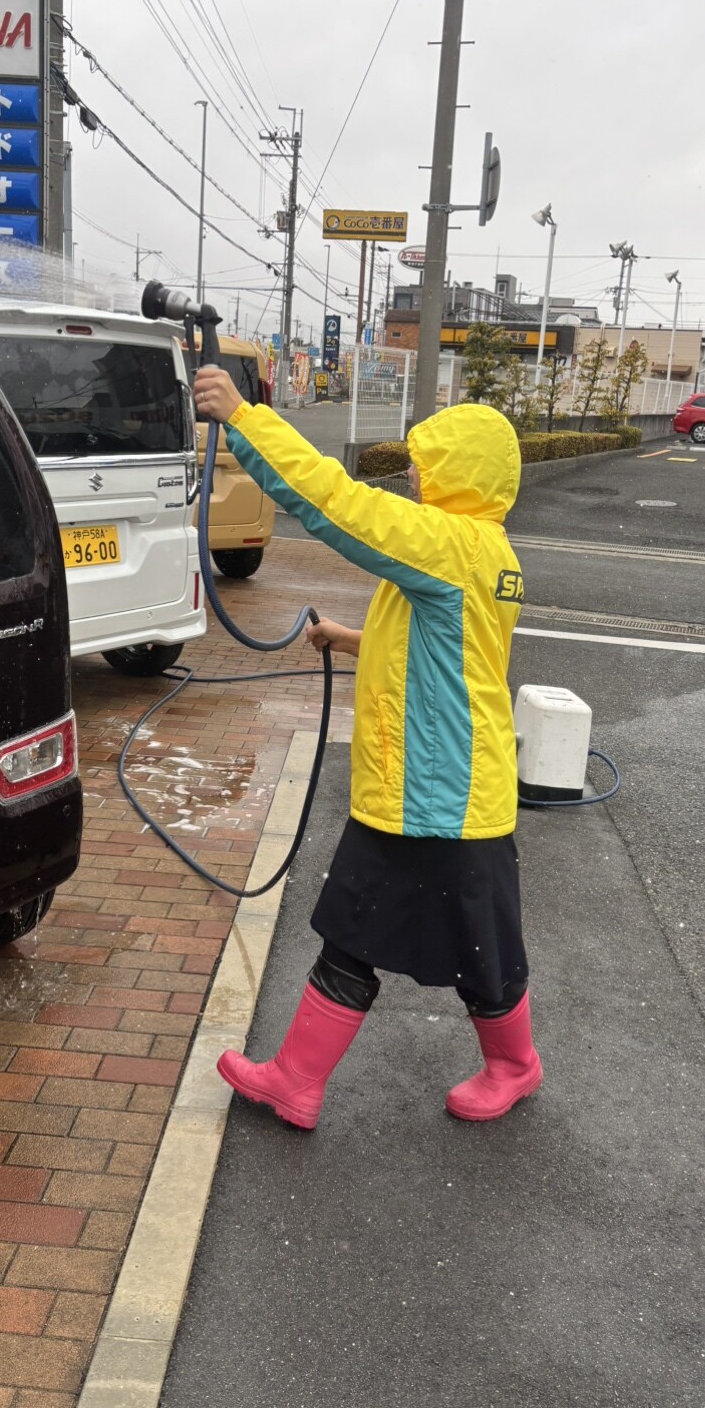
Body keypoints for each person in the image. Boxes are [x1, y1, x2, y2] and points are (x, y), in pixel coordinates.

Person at [192, 365, 541, 1128]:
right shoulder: (484, 549)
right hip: (438, 790)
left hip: (441, 795)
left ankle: (513, 1066)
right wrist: (351, 639)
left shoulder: (447, 544)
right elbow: (452, 650)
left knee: (476, 950)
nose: (413, 472)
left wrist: (244, 420)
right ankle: (297, 1080)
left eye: (426, 462)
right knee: (365, 933)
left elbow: (334, 503)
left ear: (461, 474)